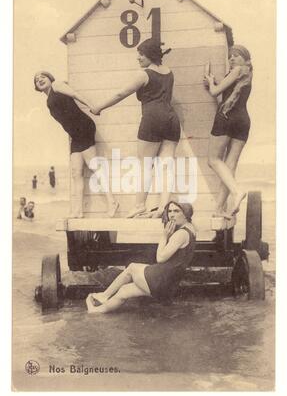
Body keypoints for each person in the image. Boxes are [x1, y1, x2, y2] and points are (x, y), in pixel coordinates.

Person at [90, 39, 181, 219]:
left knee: (145, 165)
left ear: (150, 55)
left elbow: (120, 94)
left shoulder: (144, 74)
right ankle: (164, 207)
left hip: (152, 118)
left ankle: (139, 205)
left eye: (141, 54)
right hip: (171, 119)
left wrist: (99, 107)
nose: (138, 58)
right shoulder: (169, 72)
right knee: (166, 166)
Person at [34, 71, 119, 218]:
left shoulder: (57, 85)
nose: (39, 79)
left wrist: (93, 106)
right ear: (36, 87)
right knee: (76, 173)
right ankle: (78, 211)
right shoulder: (48, 99)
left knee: (94, 167)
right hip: (75, 135)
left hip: (84, 128)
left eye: (42, 76)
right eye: (36, 80)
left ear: (50, 78)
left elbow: (75, 95)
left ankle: (112, 202)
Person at [86, 201, 196, 314]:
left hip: (161, 280)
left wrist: (164, 236)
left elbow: (160, 258)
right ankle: (96, 311)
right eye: (169, 211)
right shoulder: (191, 229)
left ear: (186, 214)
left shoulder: (180, 234)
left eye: (176, 211)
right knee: (124, 291)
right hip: (169, 284)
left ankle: (104, 296)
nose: (171, 215)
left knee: (132, 267)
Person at [203, 45, 253, 218]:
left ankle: (237, 191)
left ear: (245, 58)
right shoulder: (247, 73)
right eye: (230, 56)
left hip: (226, 117)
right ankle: (219, 209)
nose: (232, 59)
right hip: (243, 120)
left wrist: (210, 82)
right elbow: (229, 92)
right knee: (229, 165)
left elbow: (215, 92)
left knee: (213, 160)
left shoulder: (237, 70)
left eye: (236, 55)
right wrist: (216, 83)